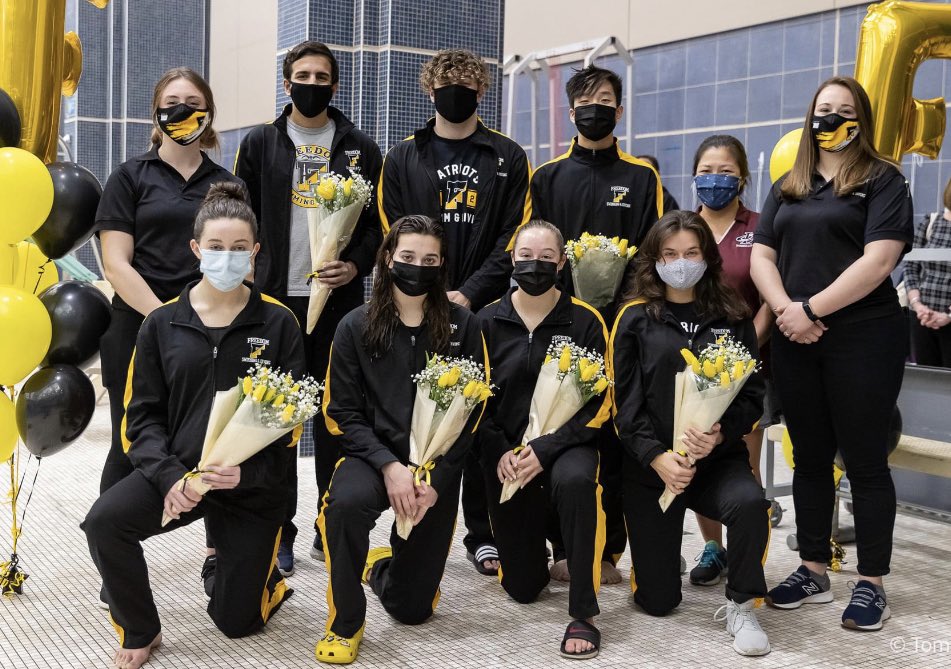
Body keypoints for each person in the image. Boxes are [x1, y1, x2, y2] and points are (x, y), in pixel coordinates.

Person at [82, 183, 303, 669]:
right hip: (180, 472)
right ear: (196, 249)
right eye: (217, 246)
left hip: (249, 486)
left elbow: (289, 425)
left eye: (239, 247)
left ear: (255, 252)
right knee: (104, 522)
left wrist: (246, 475)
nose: (228, 256)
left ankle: (254, 576)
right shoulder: (161, 323)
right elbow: (140, 418)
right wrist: (169, 477)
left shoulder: (279, 323)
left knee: (236, 622)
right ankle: (141, 629)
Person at [751, 76, 913, 631]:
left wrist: (810, 309)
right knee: (811, 457)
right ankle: (813, 569)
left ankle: (872, 582)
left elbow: (879, 260)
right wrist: (787, 311)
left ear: (861, 120)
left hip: (863, 336)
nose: (833, 118)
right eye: (824, 109)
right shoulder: (789, 184)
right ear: (809, 116)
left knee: (865, 460)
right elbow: (763, 257)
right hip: (796, 337)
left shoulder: (883, 179)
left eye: (845, 110)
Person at [378, 48, 531, 576]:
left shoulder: (508, 156)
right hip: (416, 304)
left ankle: (483, 533)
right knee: (424, 414)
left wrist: (467, 293)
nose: (456, 93)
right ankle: (417, 519)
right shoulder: (403, 156)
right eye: (447, 85)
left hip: (483, 308)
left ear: (482, 91)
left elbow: (513, 235)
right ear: (429, 91)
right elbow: (395, 231)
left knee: (485, 419)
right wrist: (430, 291)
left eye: (467, 85)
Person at [235, 40, 383, 575]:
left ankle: (329, 523)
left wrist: (356, 265)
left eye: (322, 77)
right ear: (287, 82)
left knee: (334, 416)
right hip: (275, 302)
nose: (312, 84)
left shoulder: (361, 148)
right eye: (304, 75)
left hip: (338, 304)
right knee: (274, 416)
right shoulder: (260, 142)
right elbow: (239, 212)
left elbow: (377, 226)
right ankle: (279, 529)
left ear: (335, 85)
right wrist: (249, 272)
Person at [315, 215, 488, 664]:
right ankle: (345, 622)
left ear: (442, 264)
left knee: (412, 610)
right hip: (371, 459)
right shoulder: (354, 325)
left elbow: (473, 413)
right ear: (389, 259)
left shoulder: (465, 326)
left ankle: (381, 566)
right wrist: (389, 466)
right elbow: (340, 413)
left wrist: (437, 478)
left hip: (435, 466)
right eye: (408, 257)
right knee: (345, 506)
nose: (418, 267)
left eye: (430, 260)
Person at [613, 211, 770, 656]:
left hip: (715, 462)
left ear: (707, 257)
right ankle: (660, 556)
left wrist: (720, 436)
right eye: (669, 254)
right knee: (657, 601)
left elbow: (751, 396)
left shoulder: (733, 316)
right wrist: (656, 457)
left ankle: (742, 603)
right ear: (654, 260)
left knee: (750, 503)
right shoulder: (633, 318)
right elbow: (625, 407)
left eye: (691, 253)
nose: (680, 263)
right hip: (652, 469)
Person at [530, 64, 663, 584]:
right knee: (560, 430)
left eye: (605, 100)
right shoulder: (547, 178)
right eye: (586, 101)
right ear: (571, 113)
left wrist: (627, 314)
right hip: (561, 325)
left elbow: (650, 253)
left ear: (619, 110)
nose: (595, 109)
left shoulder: (641, 177)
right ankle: (560, 545)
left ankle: (609, 552)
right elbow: (535, 251)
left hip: (623, 328)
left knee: (616, 438)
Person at [97, 67, 241, 492]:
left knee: (208, 445)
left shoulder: (228, 184)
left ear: (209, 114)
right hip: (136, 326)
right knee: (131, 443)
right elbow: (116, 264)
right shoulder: (129, 177)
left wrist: (200, 319)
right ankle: (113, 528)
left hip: (209, 328)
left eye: (194, 105)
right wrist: (165, 318)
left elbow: (240, 260)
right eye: (172, 104)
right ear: (155, 114)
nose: (182, 111)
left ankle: (216, 534)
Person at [478, 220, 611, 659]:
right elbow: (473, 403)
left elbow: (601, 403)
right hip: (508, 456)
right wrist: (500, 449)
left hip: (569, 446)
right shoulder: (485, 322)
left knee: (575, 481)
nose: (535, 265)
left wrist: (547, 448)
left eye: (546, 257)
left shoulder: (586, 320)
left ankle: (584, 612)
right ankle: (539, 553)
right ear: (512, 259)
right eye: (526, 256)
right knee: (522, 589)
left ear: (562, 263)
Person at [689, 134, 777, 587]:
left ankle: (746, 556)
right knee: (698, 455)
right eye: (706, 171)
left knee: (743, 464)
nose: (715, 179)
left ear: (742, 177)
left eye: (725, 171)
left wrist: (742, 353)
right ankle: (713, 547)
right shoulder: (685, 229)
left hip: (748, 368)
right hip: (692, 370)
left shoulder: (760, 227)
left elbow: (769, 299)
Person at [904, 179, 951, 367]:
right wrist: (918, 305)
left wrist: (949, 315)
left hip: (948, 319)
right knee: (925, 375)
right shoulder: (931, 222)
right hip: (922, 318)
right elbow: (910, 266)